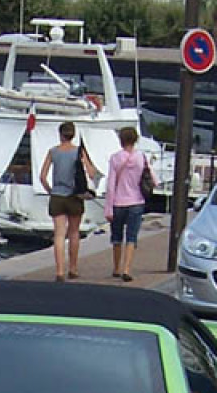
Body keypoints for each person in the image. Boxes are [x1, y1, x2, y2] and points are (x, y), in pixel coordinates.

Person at [41, 120, 99, 281]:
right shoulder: (78, 152)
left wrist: (50, 191)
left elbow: (42, 176)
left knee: (59, 234)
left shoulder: (53, 152)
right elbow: (92, 173)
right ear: (73, 135)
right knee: (74, 233)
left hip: (57, 196)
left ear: (60, 134)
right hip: (75, 196)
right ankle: (73, 268)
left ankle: (59, 271)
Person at [104, 125, 151, 282]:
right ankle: (127, 268)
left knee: (117, 236)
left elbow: (110, 184)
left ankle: (116, 267)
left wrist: (108, 207)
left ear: (121, 140)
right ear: (136, 139)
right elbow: (153, 179)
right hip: (136, 201)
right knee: (132, 237)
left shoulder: (115, 158)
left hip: (118, 202)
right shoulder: (141, 157)